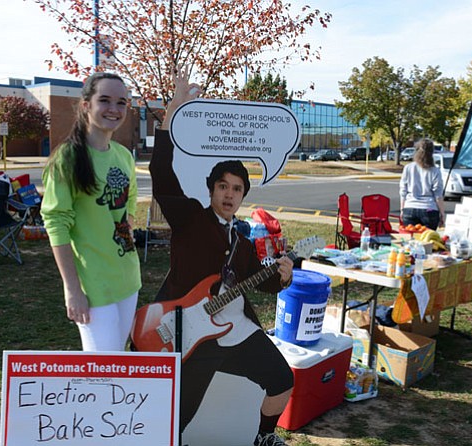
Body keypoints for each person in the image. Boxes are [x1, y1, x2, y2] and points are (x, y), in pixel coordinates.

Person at [149, 71, 294, 446]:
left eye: (237, 189)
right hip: (192, 333)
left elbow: (256, 281)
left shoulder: (242, 242)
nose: (230, 195)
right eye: (223, 187)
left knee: (282, 380)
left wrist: (282, 276)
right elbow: (161, 175)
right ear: (212, 189)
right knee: (177, 418)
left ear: (244, 195)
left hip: (236, 328)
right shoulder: (191, 219)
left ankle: (264, 437)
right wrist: (172, 112)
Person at [40, 72, 141, 352]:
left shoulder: (123, 155)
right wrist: (72, 289)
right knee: (102, 372)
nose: (114, 109)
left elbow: (129, 201)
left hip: (128, 278)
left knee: (117, 360)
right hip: (93, 287)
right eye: (105, 100)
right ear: (86, 105)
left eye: (121, 102)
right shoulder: (67, 159)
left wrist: (124, 227)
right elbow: (56, 223)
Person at [399, 138, 445, 230]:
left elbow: (403, 190)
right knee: (428, 241)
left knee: (410, 240)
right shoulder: (435, 171)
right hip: (429, 209)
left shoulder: (408, 168)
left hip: (409, 208)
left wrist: (402, 209)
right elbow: (438, 195)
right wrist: (442, 213)